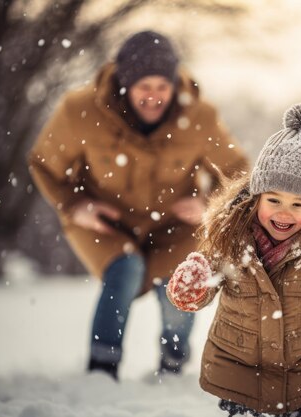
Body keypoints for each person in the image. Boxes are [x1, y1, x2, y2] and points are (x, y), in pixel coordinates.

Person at [28, 30, 249, 380]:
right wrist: (74, 205)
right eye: (144, 87)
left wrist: (209, 204)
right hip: (104, 223)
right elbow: (43, 162)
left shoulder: (198, 116)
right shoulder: (80, 111)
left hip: (174, 226)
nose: (154, 97)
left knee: (182, 281)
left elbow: (238, 171)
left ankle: (173, 366)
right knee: (125, 270)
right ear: (124, 84)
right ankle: (102, 370)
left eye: (163, 87)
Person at [167, 103, 301, 416]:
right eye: (273, 200)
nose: (285, 212)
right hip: (241, 370)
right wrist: (195, 283)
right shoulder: (230, 239)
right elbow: (207, 271)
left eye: (299, 204)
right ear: (256, 197)